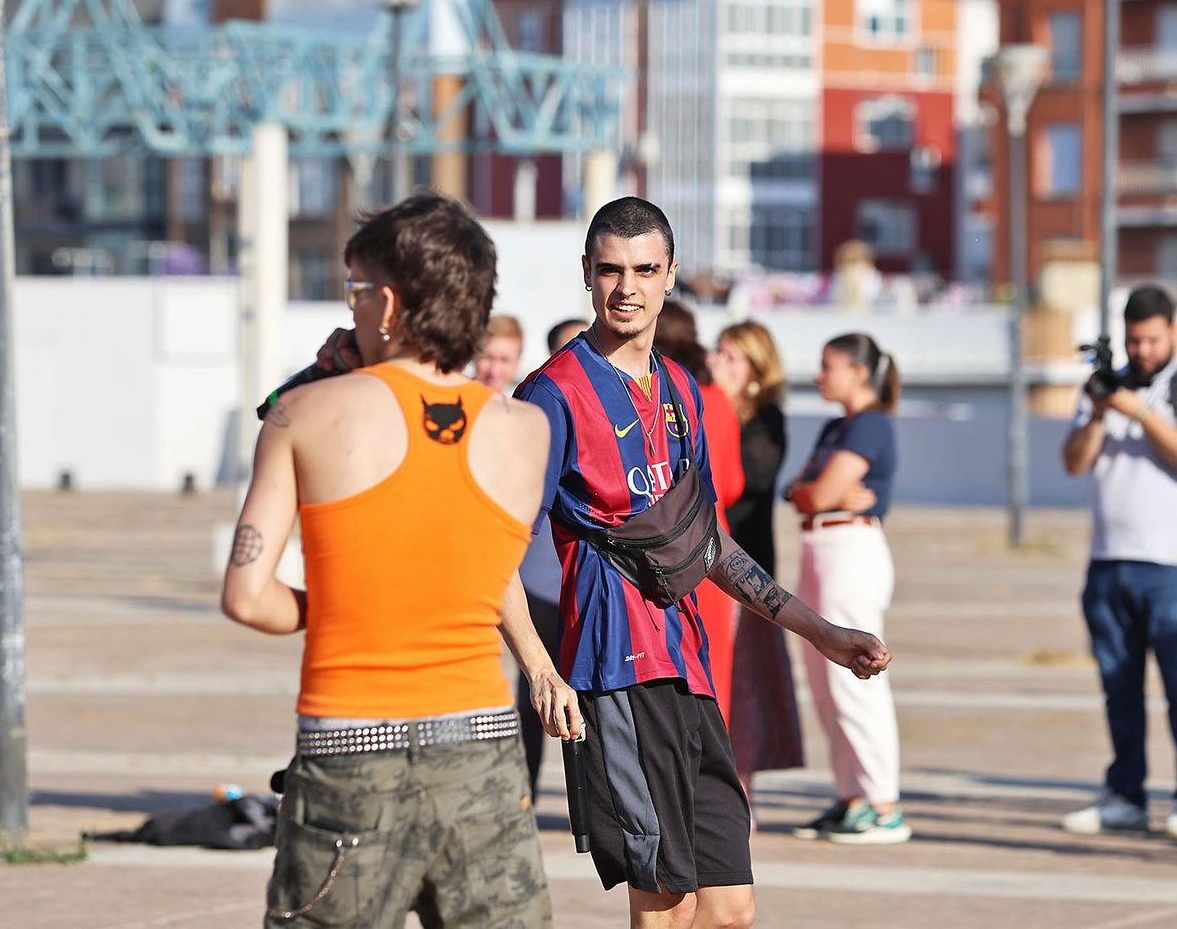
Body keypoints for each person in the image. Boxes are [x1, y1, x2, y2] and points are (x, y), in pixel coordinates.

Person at [515, 196, 889, 929]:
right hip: (614, 670)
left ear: (671, 275)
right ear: (586, 276)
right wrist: (539, 667)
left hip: (689, 668)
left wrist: (822, 633)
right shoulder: (551, 394)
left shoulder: (685, 393)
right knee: (667, 906)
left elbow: (710, 545)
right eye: (611, 270)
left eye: (645, 270)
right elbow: (488, 545)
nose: (628, 287)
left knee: (727, 907)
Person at [222, 193, 581, 928]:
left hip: (351, 746)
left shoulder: (305, 413)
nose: (350, 309)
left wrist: (355, 600)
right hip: (480, 743)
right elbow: (474, 569)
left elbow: (246, 596)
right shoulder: (528, 430)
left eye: (355, 291)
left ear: (387, 302)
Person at [1060, 284, 1177, 840]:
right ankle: (1125, 794)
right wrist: (1100, 411)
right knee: (1119, 686)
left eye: (1152, 340)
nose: (1144, 350)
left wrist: (1140, 412)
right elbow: (1074, 463)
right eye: (1135, 340)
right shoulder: (1108, 384)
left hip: (1175, 566)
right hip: (1109, 561)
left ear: (1172, 332)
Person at [786, 333, 910, 845]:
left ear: (859, 371)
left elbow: (820, 491)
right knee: (824, 679)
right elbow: (798, 492)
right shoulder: (840, 426)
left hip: (851, 552)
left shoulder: (873, 424)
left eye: (828, 365)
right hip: (821, 547)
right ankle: (851, 797)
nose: (820, 375)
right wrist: (811, 493)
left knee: (856, 681)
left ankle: (883, 805)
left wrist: (814, 493)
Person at [710, 321, 805, 801]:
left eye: (731, 357)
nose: (717, 363)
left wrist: (721, 408)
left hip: (748, 570)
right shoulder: (707, 408)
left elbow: (743, 483)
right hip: (716, 569)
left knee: (744, 684)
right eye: (717, 353)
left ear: (754, 369)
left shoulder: (764, 420)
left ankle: (741, 793)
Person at [653, 300, 745, 723]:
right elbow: (732, 485)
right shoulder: (714, 398)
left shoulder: (654, 394)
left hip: (660, 551)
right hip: (713, 550)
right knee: (713, 683)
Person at [515, 316, 589, 795]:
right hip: (541, 582)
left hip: (593, 582)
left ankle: (594, 799)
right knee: (535, 693)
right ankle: (524, 793)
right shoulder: (536, 409)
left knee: (596, 694)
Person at [473, 313, 525, 393]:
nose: (494, 371)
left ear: (518, 362)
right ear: (473, 356)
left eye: (504, 360)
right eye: (487, 357)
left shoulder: (527, 402)